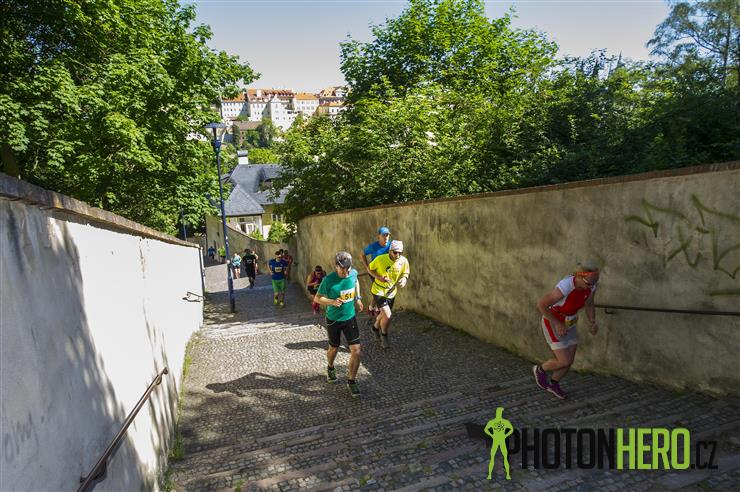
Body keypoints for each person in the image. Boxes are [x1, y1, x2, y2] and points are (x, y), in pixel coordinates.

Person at [532, 261, 600, 400]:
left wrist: (592, 321)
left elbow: (589, 304)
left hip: (570, 322)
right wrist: (557, 324)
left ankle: (554, 384)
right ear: (580, 276)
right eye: (589, 283)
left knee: (569, 361)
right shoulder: (566, 285)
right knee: (564, 360)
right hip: (553, 321)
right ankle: (540, 370)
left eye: (594, 283)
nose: (591, 286)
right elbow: (541, 304)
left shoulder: (591, 286)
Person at [313, 252, 364, 398]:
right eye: (342, 268)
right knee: (333, 348)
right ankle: (330, 367)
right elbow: (317, 298)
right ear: (336, 266)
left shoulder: (353, 273)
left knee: (356, 351)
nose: (346, 271)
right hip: (334, 319)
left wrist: (358, 298)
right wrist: (332, 302)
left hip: (350, 318)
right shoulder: (328, 280)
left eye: (348, 268)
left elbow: (356, 281)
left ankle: (351, 381)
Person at [367, 240, 410, 349]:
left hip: (391, 292)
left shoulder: (403, 261)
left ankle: (375, 328)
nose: (397, 255)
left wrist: (404, 279)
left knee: (383, 315)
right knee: (388, 315)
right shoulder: (380, 259)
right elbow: (369, 269)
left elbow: (406, 272)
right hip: (378, 290)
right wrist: (378, 277)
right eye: (395, 252)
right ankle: (384, 335)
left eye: (400, 253)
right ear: (390, 250)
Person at [360, 226, 393, 320]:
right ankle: (378, 310)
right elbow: (362, 254)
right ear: (379, 236)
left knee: (382, 291)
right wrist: (367, 267)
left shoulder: (391, 245)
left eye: (387, 235)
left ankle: (371, 308)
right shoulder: (373, 246)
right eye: (383, 235)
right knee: (379, 291)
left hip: (386, 272)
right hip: (374, 272)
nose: (386, 237)